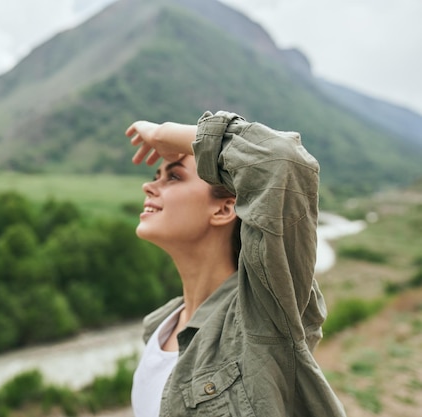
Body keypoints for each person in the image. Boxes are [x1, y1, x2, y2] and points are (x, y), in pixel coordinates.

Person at [126, 110, 347, 417]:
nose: (148, 187)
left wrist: (164, 133)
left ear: (225, 208)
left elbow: (280, 160)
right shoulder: (159, 328)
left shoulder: (264, 310)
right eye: (156, 176)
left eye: (174, 176)